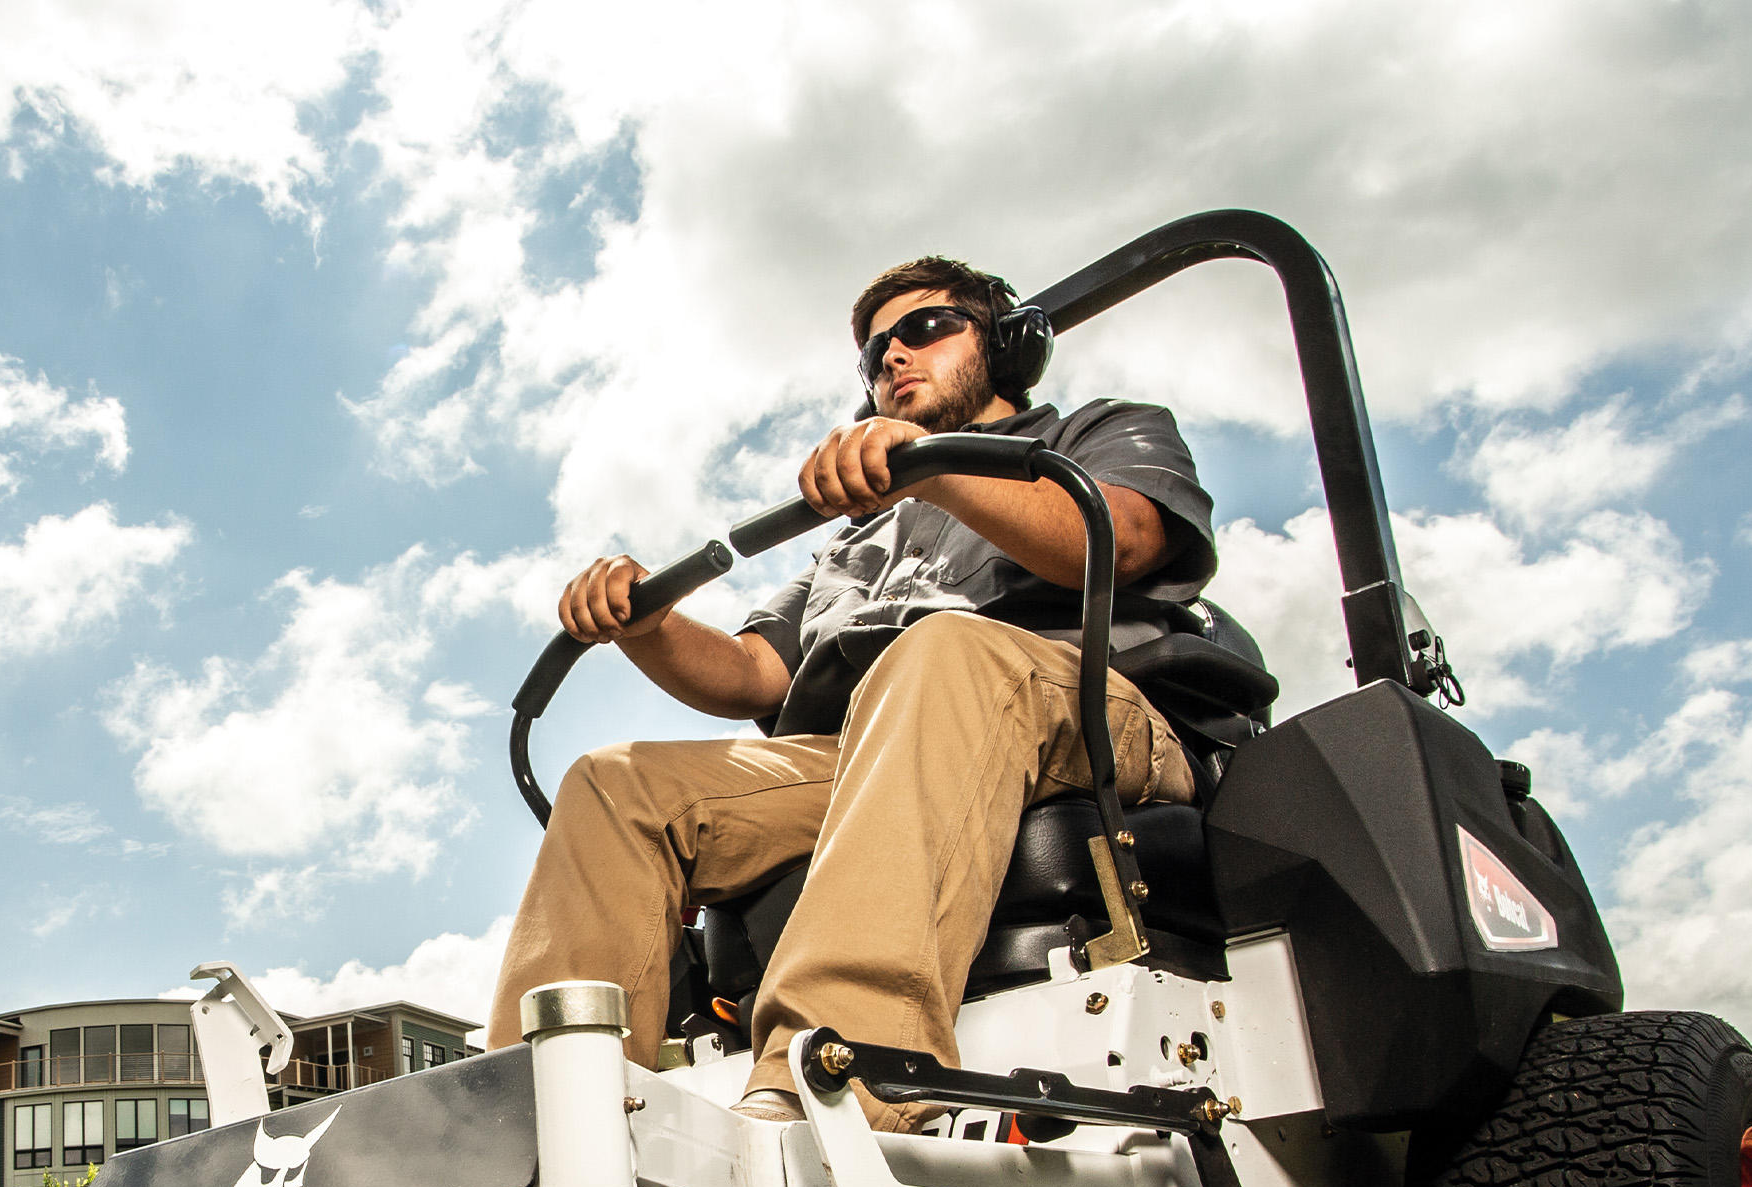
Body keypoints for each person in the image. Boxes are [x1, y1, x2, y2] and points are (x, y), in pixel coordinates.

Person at [486, 256, 1217, 1121]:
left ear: (1010, 345)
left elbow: (1121, 540)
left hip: (1084, 710)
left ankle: (836, 1076)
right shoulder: (858, 537)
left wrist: (932, 465)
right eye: (875, 355)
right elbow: (755, 671)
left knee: (943, 651)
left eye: (927, 329)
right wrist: (644, 626)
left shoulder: (1094, 434)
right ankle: (540, 1122)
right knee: (618, 784)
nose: (894, 358)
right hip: (888, 744)